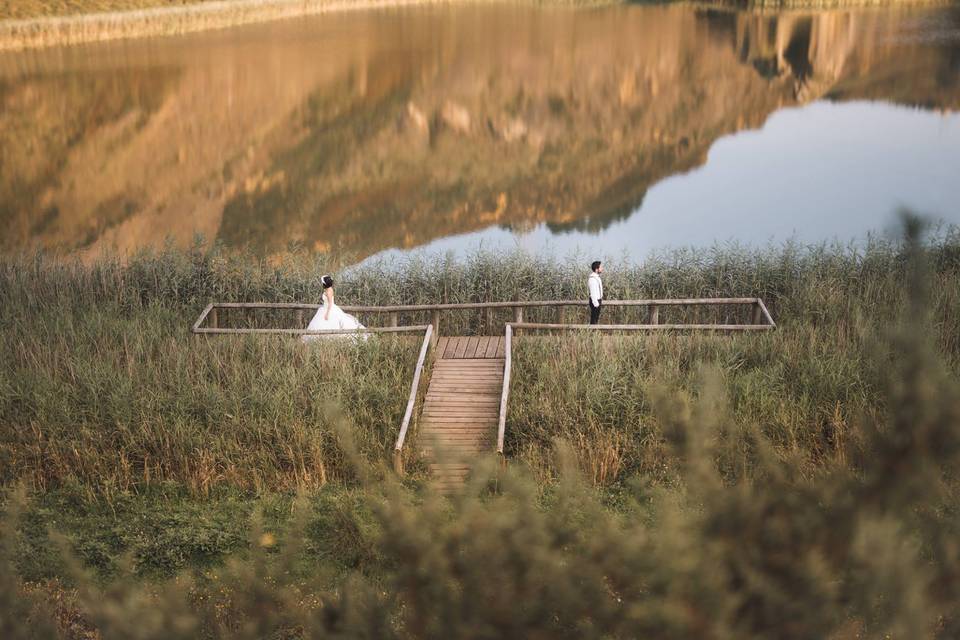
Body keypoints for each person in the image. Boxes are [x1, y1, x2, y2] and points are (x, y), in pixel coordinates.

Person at [302, 274, 368, 342]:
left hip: (328, 309)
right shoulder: (328, 289)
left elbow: (330, 303)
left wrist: (327, 314)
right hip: (325, 308)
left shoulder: (328, 291)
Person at [588, 260, 604, 325]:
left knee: (596, 318)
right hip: (595, 301)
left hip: (598, 300)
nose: (602, 268)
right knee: (594, 319)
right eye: (601, 267)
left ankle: (594, 333)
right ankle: (592, 333)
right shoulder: (592, 279)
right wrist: (596, 303)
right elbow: (593, 292)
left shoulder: (597, 277)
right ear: (596, 269)